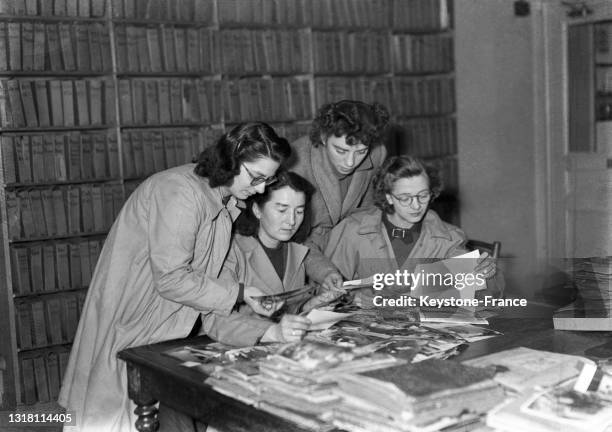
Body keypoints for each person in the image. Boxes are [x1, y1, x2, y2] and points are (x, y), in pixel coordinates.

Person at [58, 122, 291, 432]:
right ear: (232, 160)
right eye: (257, 177)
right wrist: (239, 292)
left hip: (165, 328)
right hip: (135, 322)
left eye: (268, 179)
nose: (261, 189)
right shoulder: (180, 191)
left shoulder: (226, 201)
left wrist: (254, 310)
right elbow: (171, 279)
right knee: (110, 420)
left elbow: (213, 283)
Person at [324, 155, 503, 306]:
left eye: (423, 195)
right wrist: (352, 296)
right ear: (388, 197)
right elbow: (324, 292)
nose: (416, 205)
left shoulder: (447, 239)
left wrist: (487, 275)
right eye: (405, 198)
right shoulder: (353, 231)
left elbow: (479, 297)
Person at [201, 171, 344, 347]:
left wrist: (309, 306)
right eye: (282, 210)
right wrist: (272, 332)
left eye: (299, 211)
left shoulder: (295, 249)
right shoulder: (230, 251)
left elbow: (283, 311)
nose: (292, 221)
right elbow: (215, 319)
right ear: (257, 210)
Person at [289, 100, 390, 289]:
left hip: (347, 245)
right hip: (303, 254)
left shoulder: (377, 153)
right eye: (341, 150)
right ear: (324, 137)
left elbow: (366, 214)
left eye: (360, 151)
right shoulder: (296, 162)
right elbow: (292, 237)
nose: (351, 162)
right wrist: (324, 271)